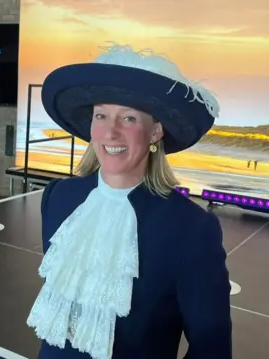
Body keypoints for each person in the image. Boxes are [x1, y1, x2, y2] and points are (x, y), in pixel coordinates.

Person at [26, 44, 232, 359]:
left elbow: (211, 350)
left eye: (129, 118)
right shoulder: (59, 198)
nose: (111, 132)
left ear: (155, 132)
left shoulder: (192, 229)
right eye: (102, 115)